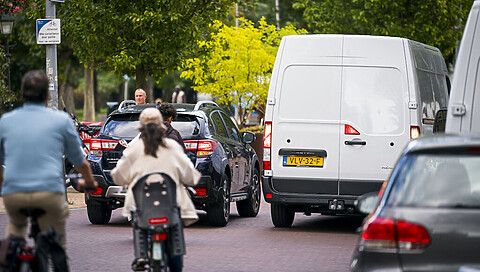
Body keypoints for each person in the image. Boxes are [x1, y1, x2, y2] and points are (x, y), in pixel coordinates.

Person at [0, 70, 97, 250]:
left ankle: (11, 254)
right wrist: (89, 181)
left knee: (15, 228)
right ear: (47, 95)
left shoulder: (5, 121)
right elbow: (79, 161)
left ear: (23, 95)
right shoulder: (61, 120)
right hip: (49, 192)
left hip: (14, 193)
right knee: (55, 238)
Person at [111, 108, 200, 272]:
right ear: (162, 124)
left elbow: (118, 176)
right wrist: (191, 178)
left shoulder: (134, 149)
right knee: (175, 229)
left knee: (139, 223)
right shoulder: (172, 146)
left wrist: (128, 180)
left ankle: (141, 256)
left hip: (142, 206)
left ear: (141, 127)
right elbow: (190, 176)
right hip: (170, 206)